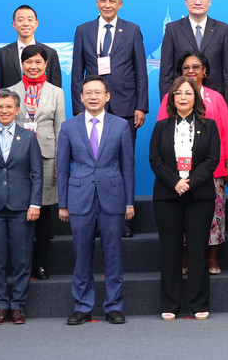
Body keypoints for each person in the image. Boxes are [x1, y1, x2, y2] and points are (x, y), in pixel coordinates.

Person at [57, 76, 135, 325]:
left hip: (113, 198)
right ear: (81, 97)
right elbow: (62, 168)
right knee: (82, 256)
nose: (93, 96)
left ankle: (114, 306)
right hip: (79, 199)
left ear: (107, 96)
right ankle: (82, 306)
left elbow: (128, 166)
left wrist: (129, 202)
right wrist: (63, 203)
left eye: (98, 92)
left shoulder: (120, 125)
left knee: (113, 255)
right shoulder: (68, 127)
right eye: (88, 92)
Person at [71, 0, 147, 238]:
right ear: (96, 2)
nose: (107, 4)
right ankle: (94, 218)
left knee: (124, 162)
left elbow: (141, 71)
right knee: (93, 163)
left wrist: (141, 106)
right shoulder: (83, 30)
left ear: (120, 4)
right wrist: (78, 108)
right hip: (91, 107)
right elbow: (77, 72)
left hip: (125, 106)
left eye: (112, 0)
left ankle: (124, 217)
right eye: (103, 0)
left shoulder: (133, 30)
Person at [157, 51, 228, 274]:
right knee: (181, 218)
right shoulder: (170, 97)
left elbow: (226, 133)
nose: (191, 71)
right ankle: (184, 259)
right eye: (186, 68)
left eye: (196, 67)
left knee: (214, 217)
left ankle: (212, 259)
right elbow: (162, 134)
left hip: (211, 170)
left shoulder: (216, 98)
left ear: (205, 71)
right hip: (178, 175)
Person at [150, 76, 220, 320]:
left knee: (198, 250)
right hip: (167, 196)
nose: (183, 97)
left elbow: (212, 159)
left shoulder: (209, 125)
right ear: (171, 98)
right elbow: (155, 160)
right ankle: (170, 304)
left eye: (188, 93)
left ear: (196, 97)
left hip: (199, 196)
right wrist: (175, 182)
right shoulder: (161, 126)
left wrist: (189, 183)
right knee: (170, 251)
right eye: (178, 93)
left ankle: (199, 303)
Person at [0, 89, 43, 325]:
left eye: (9, 106)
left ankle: (18, 306)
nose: (4, 111)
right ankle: (1, 306)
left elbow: (37, 173)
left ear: (17, 109)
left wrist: (35, 203)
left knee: (22, 258)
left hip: (22, 207)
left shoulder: (29, 137)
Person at [9, 45, 65, 280]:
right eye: (28, 62)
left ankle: (41, 264)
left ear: (46, 64)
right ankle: (21, 265)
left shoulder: (56, 92)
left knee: (43, 213)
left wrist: (60, 162)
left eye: (38, 62)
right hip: (18, 160)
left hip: (47, 157)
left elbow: (61, 128)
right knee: (20, 213)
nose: (33, 66)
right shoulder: (10, 91)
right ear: (22, 64)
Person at [159, 0, 228, 117]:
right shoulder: (172, 29)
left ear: (210, 1)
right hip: (181, 102)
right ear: (185, 0)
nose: (197, 2)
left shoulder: (223, 30)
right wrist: (167, 104)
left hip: (214, 102)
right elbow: (166, 72)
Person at [0, 5, 61, 125]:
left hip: (42, 121)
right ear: (14, 24)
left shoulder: (50, 53)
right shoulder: (2, 54)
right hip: (12, 120)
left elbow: (56, 89)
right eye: (20, 20)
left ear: (36, 23)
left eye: (30, 19)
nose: (25, 24)